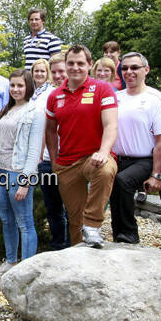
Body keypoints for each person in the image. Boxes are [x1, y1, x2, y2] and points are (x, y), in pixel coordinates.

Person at [44, 45, 118, 248]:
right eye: (71, 63)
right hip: (67, 164)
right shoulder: (54, 96)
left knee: (105, 170)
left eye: (80, 63)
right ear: (65, 65)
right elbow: (50, 130)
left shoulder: (103, 89)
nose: (75, 67)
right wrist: (54, 159)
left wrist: (103, 152)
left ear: (90, 65)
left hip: (94, 157)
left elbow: (111, 124)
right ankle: (80, 260)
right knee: (75, 220)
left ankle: (93, 225)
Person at [110, 52, 161, 244]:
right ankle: (117, 236)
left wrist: (156, 175)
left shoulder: (155, 98)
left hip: (144, 159)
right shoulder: (116, 97)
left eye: (134, 67)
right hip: (118, 158)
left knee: (122, 182)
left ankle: (129, 236)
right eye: (125, 68)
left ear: (146, 70)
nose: (129, 72)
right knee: (113, 190)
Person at [0, 70, 45, 275]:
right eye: (12, 85)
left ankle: (26, 268)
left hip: (19, 172)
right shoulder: (7, 110)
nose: (15, 89)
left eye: (20, 85)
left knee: (24, 222)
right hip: (2, 170)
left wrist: (26, 181)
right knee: (6, 220)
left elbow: (33, 149)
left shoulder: (35, 112)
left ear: (28, 86)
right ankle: (11, 261)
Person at [36, 54, 69, 250]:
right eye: (54, 72)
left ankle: (74, 247)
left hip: (72, 161)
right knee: (53, 208)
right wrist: (39, 156)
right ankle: (57, 245)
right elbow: (41, 129)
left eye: (61, 71)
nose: (58, 76)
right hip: (49, 161)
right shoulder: (46, 96)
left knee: (73, 209)